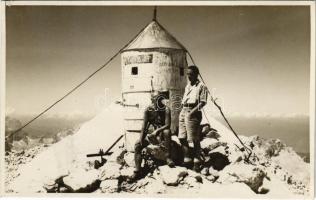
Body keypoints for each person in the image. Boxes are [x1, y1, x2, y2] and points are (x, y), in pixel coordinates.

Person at [130, 91, 175, 181]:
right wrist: (141, 139)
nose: (158, 101)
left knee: (167, 132)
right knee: (137, 145)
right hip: (152, 135)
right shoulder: (148, 110)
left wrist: (157, 131)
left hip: (161, 134)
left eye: (159, 98)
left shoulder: (166, 109)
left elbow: (167, 125)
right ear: (152, 100)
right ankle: (137, 171)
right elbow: (144, 126)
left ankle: (168, 157)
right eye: (155, 99)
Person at [179, 65, 208, 172]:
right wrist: (183, 111)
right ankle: (187, 159)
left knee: (194, 139)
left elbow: (203, 102)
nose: (189, 76)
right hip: (183, 111)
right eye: (188, 74)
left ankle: (197, 161)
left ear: (196, 74)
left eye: (191, 74)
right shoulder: (188, 86)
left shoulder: (201, 86)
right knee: (181, 137)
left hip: (193, 112)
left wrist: (191, 113)